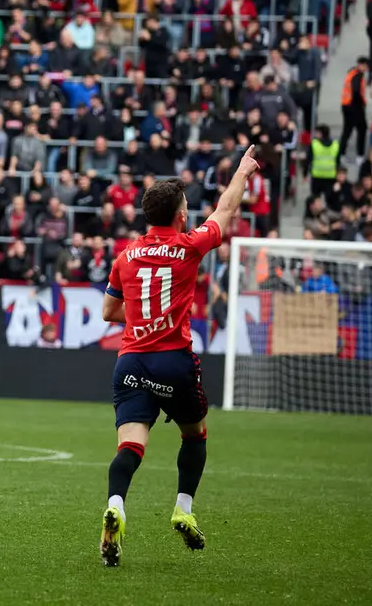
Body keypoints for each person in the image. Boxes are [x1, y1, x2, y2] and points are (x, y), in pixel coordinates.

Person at [97, 145, 262, 567]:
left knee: (130, 446)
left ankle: (116, 504)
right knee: (195, 434)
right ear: (180, 215)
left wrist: (141, 314)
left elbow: (108, 312)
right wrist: (242, 171)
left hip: (131, 361)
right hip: (173, 361)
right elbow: (224, 212)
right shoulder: (190, 245)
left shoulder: (126, 256)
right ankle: (183, 508)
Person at [340, 56, 370, 159]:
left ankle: (341, 153)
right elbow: (356, 91)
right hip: (354, 106)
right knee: (362, 129)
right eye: (365, 66)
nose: (366, 69)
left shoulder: (351, 73)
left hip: (346, 105)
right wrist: (362, 104)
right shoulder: (357, 75)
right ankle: (360, 155)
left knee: (347, 130)